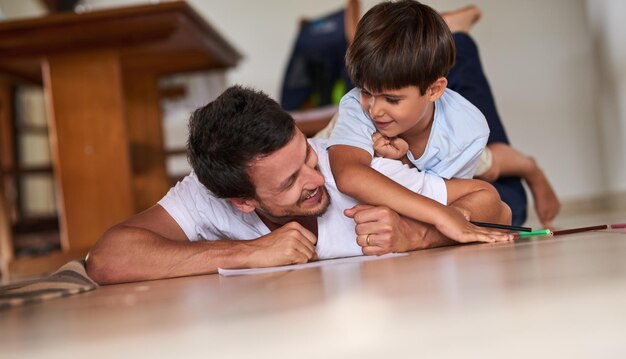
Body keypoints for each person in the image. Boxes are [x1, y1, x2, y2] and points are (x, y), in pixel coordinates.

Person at [85, 86, 513, 285]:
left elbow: (496, 208)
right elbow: (107, 260)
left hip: (450, 144)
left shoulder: (346, 166)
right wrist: (248, 253)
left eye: (306, 155)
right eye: (291, 181)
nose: (316, 178)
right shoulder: (204, 194)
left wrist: (416, 236)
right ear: (241, 201)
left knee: (498, 165)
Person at [327, 0, 512, 245]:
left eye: (391, 99)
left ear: (434, 90)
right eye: (366, 92)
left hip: (470, 152)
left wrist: (404, 163)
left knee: (506, 201)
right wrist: (403, 162)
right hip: (335, 135)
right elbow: (349, 175)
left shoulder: (465, 132)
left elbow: (438, 196)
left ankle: (531, 170)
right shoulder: (355, 107)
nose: (375, 110)